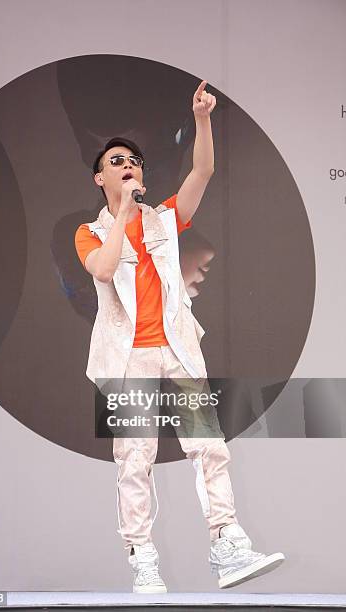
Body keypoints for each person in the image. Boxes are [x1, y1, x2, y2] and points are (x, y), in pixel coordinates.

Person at [74, 80, 285, 592]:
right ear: (100, 176)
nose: (129, 165)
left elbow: (204, 171)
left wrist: (203, 118)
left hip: (177, 345)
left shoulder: (165, 220)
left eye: (136, 160)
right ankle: (142, 556)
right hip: (126, 359)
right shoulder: (90, 232)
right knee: (134, 459)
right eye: (118, 161)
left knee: (208, 445)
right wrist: (123, 210)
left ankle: (227, 543)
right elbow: (103, 271)